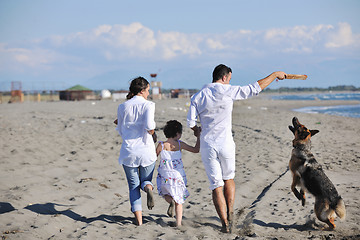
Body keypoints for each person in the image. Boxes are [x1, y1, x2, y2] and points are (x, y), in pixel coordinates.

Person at [187, 64, 287, 233]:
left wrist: (198, 131)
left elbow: (191, 123)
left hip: (207, 144)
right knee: (229, 178)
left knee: (216, 185)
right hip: (225, 143)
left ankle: (225, 223)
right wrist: (275, 74)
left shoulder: (198, 96)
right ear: (225, 77)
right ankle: (231, 211)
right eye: (230, 79)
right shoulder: (227, 90)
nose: (229, 82)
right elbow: (255, 88)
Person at [116, 76, 157, 226]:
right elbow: (149, 126)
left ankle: (139, 221)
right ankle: (147, 188)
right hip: (146, 151)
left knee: (133, 186)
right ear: (142, 90)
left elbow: (120, 129)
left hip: (129, 151)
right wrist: (153, 133)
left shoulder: (122, 106)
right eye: (147, 90)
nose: (148, 93)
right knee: (146, 180)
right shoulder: (148, 105)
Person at [156, 120, 200, 227]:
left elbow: (153, 158)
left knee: (165, 193)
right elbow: (195, 150)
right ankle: (178, 223)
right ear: (178, 134)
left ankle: (170, 201)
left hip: (165, 174)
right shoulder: (180, 144)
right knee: (179, 200)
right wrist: (199, 137)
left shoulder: (161, 145)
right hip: (178, 176)